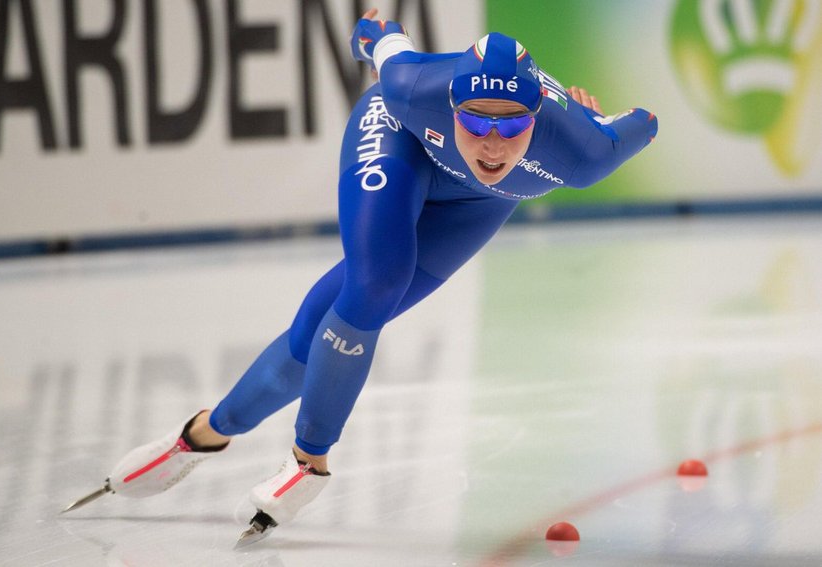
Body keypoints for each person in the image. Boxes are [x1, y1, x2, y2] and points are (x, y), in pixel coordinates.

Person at [63, 9, 657, 544]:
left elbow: (646, 119)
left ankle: (203, 433)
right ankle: (308, 463)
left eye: (512, 126)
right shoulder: (410, 89)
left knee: (311, 342)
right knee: (375, 285)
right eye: (476, 122)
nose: (494, 143)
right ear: (453, 106)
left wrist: (596, 118)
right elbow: (381, 37)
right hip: (398, 144)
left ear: (539, 119)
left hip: (478, 202)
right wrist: (373, 29)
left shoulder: (584, 152)